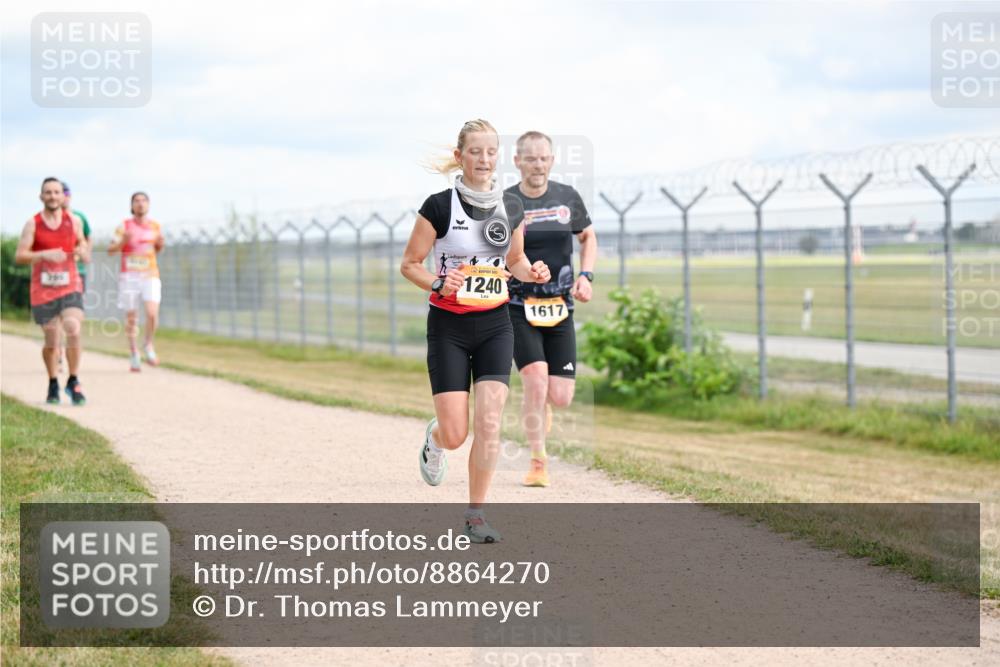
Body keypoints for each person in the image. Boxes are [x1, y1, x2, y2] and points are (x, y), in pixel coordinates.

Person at [400, 119, 550, 543]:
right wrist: (436, 281)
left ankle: (475, 515)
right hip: (448, 325)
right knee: (456, 433)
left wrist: (532, 272)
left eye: (490, 152)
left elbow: (516, 261)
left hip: (495, 325)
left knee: (489, 423)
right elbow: (410, 263)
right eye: (475, 152)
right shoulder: (438, 206)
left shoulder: (512, 207)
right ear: (459, 156)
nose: (484, 159)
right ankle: (435, 437)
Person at [506, 131, 598, 488]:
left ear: (553, 160)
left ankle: (540, 405)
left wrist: (586, 276)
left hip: (560, 306)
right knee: (534, 379)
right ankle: (538, 460)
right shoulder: (507, 202)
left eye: (544, 158)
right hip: (517, 304)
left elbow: (588, 236)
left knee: (559, 397)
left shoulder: (566, 197)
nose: (538, 165)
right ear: (517, 162)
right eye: (531, 158)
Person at [14, 177, 90, 405]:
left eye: (57, 192)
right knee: (52, 340)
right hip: (43, 289)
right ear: (41, 196)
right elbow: (20, 256)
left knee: (73, 328)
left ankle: (74, 381)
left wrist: (81, 250)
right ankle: (53, 382)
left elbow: (82, 245)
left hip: (70, 285)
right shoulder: (33, 224)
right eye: (48, 192)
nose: (53, 196)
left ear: (63, 196)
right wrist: (42, 255)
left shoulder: (74, 221)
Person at [107, 191, 164, 371]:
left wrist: (160, 244)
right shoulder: (124, 226)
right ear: (131, 206)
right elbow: (110, 250)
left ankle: (148, 344)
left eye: (144, 201)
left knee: (152, 312)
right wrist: (123, 241)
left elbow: (157, 249)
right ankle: (133, 352)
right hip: (129, 276)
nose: (140, 204)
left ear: (148, 205)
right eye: (136, 201)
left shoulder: (155, 226)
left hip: (150, 274)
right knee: (132, 317)